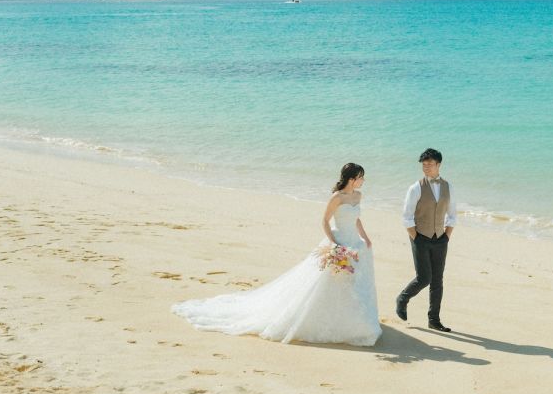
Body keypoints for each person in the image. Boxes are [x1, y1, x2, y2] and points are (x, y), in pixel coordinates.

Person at [172, 163, 381, 346]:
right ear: (352, 178)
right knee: (328, 282)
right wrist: (335, 245)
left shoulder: (358, 196)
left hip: (354, 244)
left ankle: (352, 320)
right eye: (361, 176)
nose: (363, 180)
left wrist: (366, 238)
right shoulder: (337, 197)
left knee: (352, 282)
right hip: (338, 242)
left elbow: (356, 219)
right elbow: (325, 221)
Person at [395, 148, 456, 332]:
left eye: (430, 164)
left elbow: (452, 215)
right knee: (424, 278)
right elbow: (406, 216)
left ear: (439, 165)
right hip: (420, 237)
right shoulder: (415, 188)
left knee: (438, 280)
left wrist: (446, 236)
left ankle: (434, 319)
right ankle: (403, 298)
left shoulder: (448, 187)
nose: (426, 167)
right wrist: (416, 237)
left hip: (441, 238)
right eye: (424, 164)